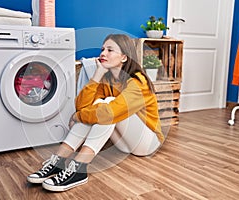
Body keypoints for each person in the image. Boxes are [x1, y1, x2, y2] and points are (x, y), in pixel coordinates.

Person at [27, 34, 165, 192]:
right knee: (102, 106)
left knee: (106, 105)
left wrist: (77, 117)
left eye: (110, 50)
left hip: (147, 143)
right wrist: (97, 75)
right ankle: (58, 161)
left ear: (124, 57)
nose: (103, 53)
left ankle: (79, 167)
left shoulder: (138, 81)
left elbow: (104, 112)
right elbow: (81, 105)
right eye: (102, 49)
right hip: (124, 144)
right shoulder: (107, 80)